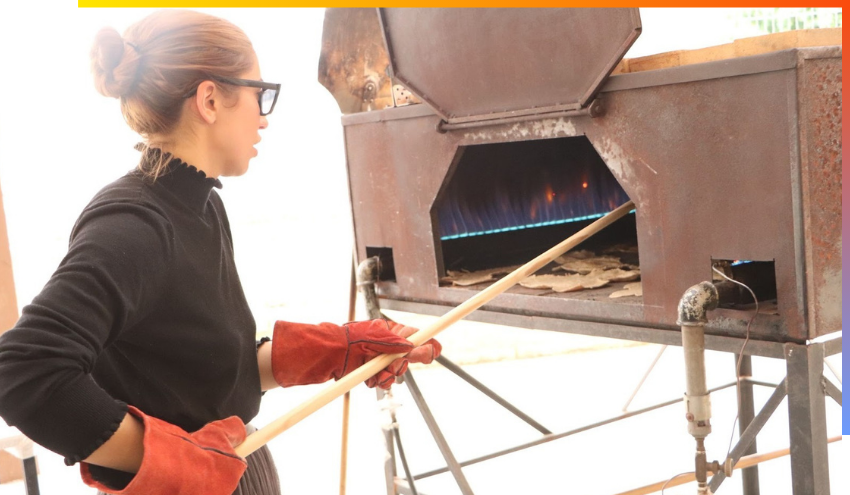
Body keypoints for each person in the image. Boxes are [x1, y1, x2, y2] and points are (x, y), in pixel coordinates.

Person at [0, 9, 440, 495]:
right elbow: (23, 369)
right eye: (259, 94)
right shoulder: (135, 225)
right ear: (210, 99)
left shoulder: (200, 204)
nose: (264, 118)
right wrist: (171, 461)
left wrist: (342, 349)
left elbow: (199, 374)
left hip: (239, 471)